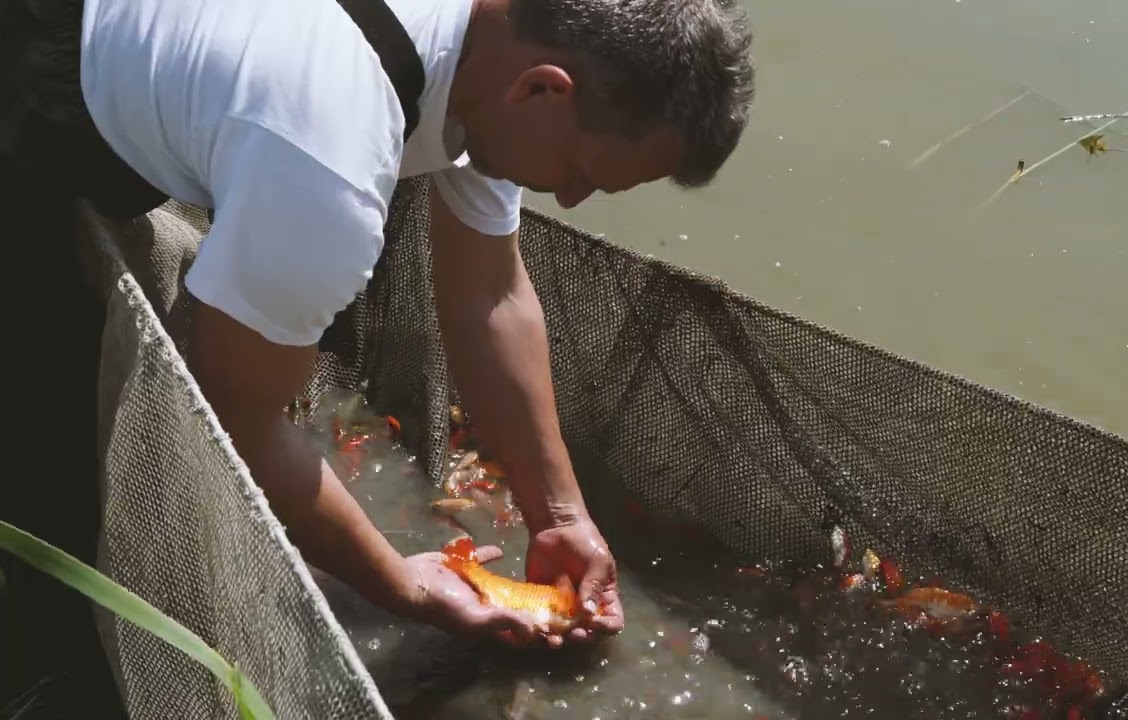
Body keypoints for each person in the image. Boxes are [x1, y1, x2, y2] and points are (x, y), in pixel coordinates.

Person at [0, 0, 755, 661]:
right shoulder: (327, 166)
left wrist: (560, 515)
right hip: (37, 68)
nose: (571, 196)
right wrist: (404, 587)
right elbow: (233, 415)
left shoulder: (485, 43)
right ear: (543, 89)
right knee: (53, 500)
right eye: (581, 169)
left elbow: (489, 292)